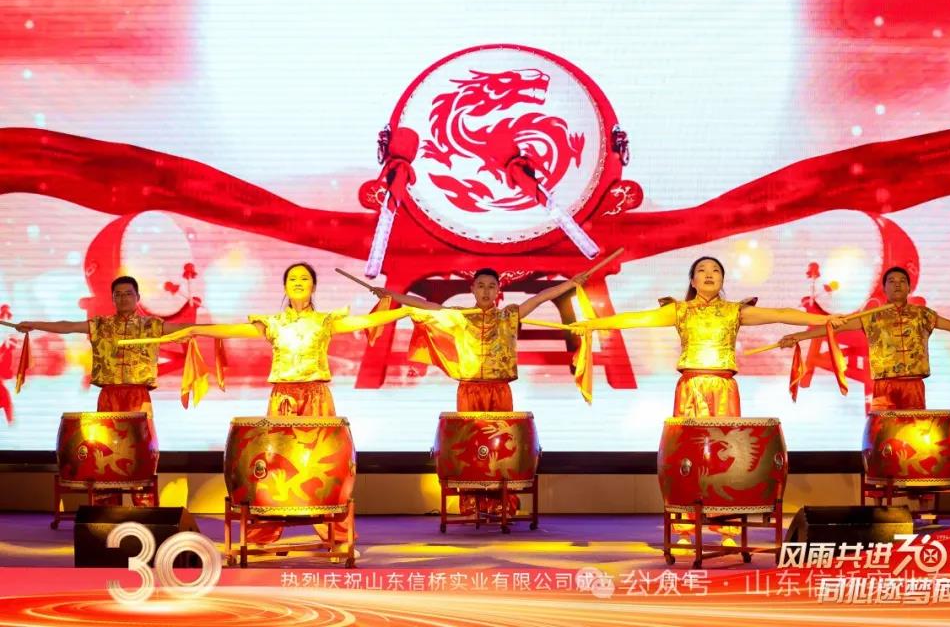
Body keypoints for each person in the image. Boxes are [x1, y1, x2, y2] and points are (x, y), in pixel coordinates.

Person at [571, 256, 846, 417]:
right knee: (690, 450)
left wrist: (825, 319)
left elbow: (781, 313)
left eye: (715, 271)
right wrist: (592, 324)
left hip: (724, 387)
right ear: (693, 281)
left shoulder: (735, 311)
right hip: (690, 386)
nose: (709, 274)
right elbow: (634, 319)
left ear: (722, 280)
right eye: (701, 271)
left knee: (724, 448)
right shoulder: (679, 310)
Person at [17, 275, 192, 505]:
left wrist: (226, 330)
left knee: (141, 447)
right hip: (109, 395)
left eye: (128, 293)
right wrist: (34, 324)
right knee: (106, 448)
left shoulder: (152, 325)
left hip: (138, 395)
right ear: (112, 299)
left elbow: (184, 328)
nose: (123, 298)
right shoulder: (101, 325)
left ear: (137, 297)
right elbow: (68, 326)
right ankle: (108, 506)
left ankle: (145, 506)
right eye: (118, 294)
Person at [157, 262, 417, 416]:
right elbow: (232, 329)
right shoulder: (274, 324)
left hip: (316, 397)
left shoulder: (325, 321)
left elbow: (366, 321)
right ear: (285, 287)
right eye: (292, 279)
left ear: (313, 287)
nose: (298, 282)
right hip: (283, 397)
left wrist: (404, 310)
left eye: (304, 278)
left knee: (317, 459)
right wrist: (195, 330)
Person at [778, 266, 950, 410]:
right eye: (891, 282)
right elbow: (833, 328)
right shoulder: (871, 317)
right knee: (883, 436)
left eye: (902, 281)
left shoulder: (923, 315)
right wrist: (798, 336)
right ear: (884, 289)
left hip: (913, 386)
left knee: (913, 435)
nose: (897, 285)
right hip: (884, 386)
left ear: (908, 288)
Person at [373, 267, 587, 410]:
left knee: (499, 442)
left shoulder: (509, 316)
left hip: (499, 389)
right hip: (469, 389)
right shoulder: (461, 316)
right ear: (473, 289)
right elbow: (427, 306)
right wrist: (391, 295)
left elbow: (540, 298)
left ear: (498, 290)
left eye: (491, 286)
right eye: (481, 286)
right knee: (468, 442)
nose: (486, 291)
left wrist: (571, 283)